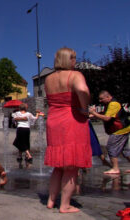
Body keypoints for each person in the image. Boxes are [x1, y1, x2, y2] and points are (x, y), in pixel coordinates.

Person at [44, 47, 92, 213]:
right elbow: (83, 90)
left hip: (53, 121)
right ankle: (64, 205)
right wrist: (85, 109)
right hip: (72, 120)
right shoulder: (75, 75)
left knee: (58, 166)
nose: (75, 61)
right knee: (72, 166)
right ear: (68, 59)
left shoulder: (48, 79)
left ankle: (51, 200)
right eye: (73, 58)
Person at [89, 90, 130, 174]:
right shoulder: (108, 104)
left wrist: (93, 113)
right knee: (125, 150)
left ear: (108, 97)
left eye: (101, 99)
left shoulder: (113, 104)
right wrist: (93, 115)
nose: (100, 101)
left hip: (119, 130)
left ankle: (115, 168)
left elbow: (107, 118)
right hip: (123, 129)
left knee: (111, 147)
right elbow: (104, 114)